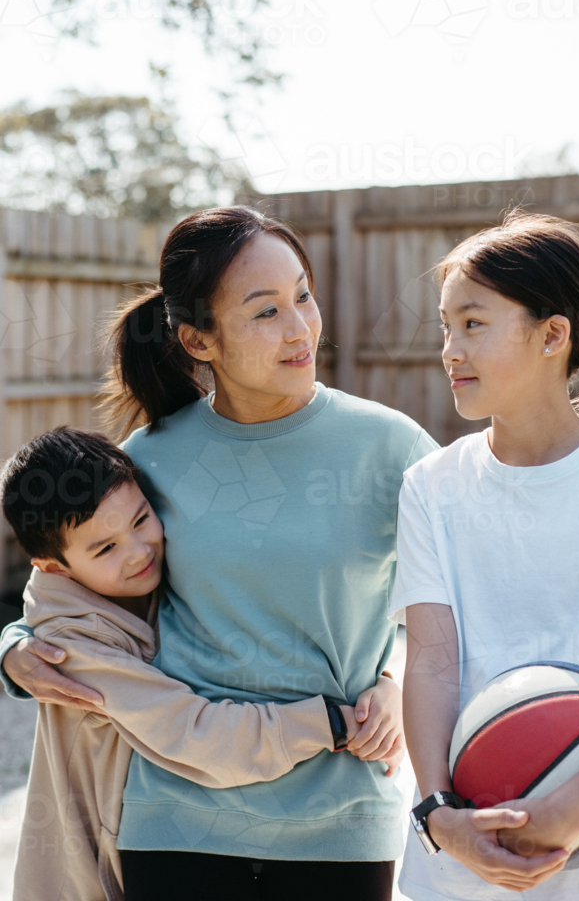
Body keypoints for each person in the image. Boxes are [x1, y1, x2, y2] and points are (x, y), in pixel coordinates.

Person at [0, 205, 441, 901]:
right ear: (197, 340)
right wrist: (15, 645)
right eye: (265, 311)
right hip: (175, 820)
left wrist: (392, 676)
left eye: (303, 295)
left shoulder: (392, 449)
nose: (300, 328)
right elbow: (65, 578)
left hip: (340, 818)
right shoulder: (149, 459)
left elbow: (459, 604)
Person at [392, 210, 579, 900]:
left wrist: (575, 809)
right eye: (445, 325)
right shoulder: (430, 486)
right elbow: (430, 666)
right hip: (452, 866)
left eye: (474, 324)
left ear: (552, 335)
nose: (450, 349)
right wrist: (437, 815)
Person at [1, 426, 400, 901]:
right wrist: (332, 722)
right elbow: (195, 733)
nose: (138, 552)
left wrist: (384, 685)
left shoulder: (150, 581)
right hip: (96, 878)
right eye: (106, 548)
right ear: (55, 568)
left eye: (142, 520)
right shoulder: (71, 646)